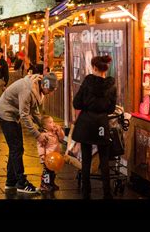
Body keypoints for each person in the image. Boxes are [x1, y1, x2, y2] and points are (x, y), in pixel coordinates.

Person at [0, 72, 58, 194]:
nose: (51, 92)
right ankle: (21, 183)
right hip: (6, 114)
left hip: (13, 115)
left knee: (16, 149)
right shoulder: (27, 90)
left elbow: (34, 111)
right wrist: (37, 135)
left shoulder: (38, 88)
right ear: (45, 84)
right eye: (50, 89)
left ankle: (10, 182)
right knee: (16, 149)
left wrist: (43, 126)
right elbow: (24, 115)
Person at [73, 55, 117, 200]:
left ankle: (86, 193)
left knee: (86, 160)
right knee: (104, 160)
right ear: (106, 69)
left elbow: (76, 103)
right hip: (101, 125)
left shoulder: (87, 82)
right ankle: (107, 193)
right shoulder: (111, 86)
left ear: (94, 68)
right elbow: (111, 109)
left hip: (86, 124)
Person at [37, 115, 65, 192]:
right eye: (50, 122)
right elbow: (40, 146)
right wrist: (42, 155)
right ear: (44, 126)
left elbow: (62, 138)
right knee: (47, 172)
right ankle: (44, 184)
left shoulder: (55, 132)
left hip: (55, 157)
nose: (53, 123)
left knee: (52, 172)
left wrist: (59, 130)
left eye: (53, 122)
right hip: (47, 157)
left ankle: (51, 183)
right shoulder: (43, 135)